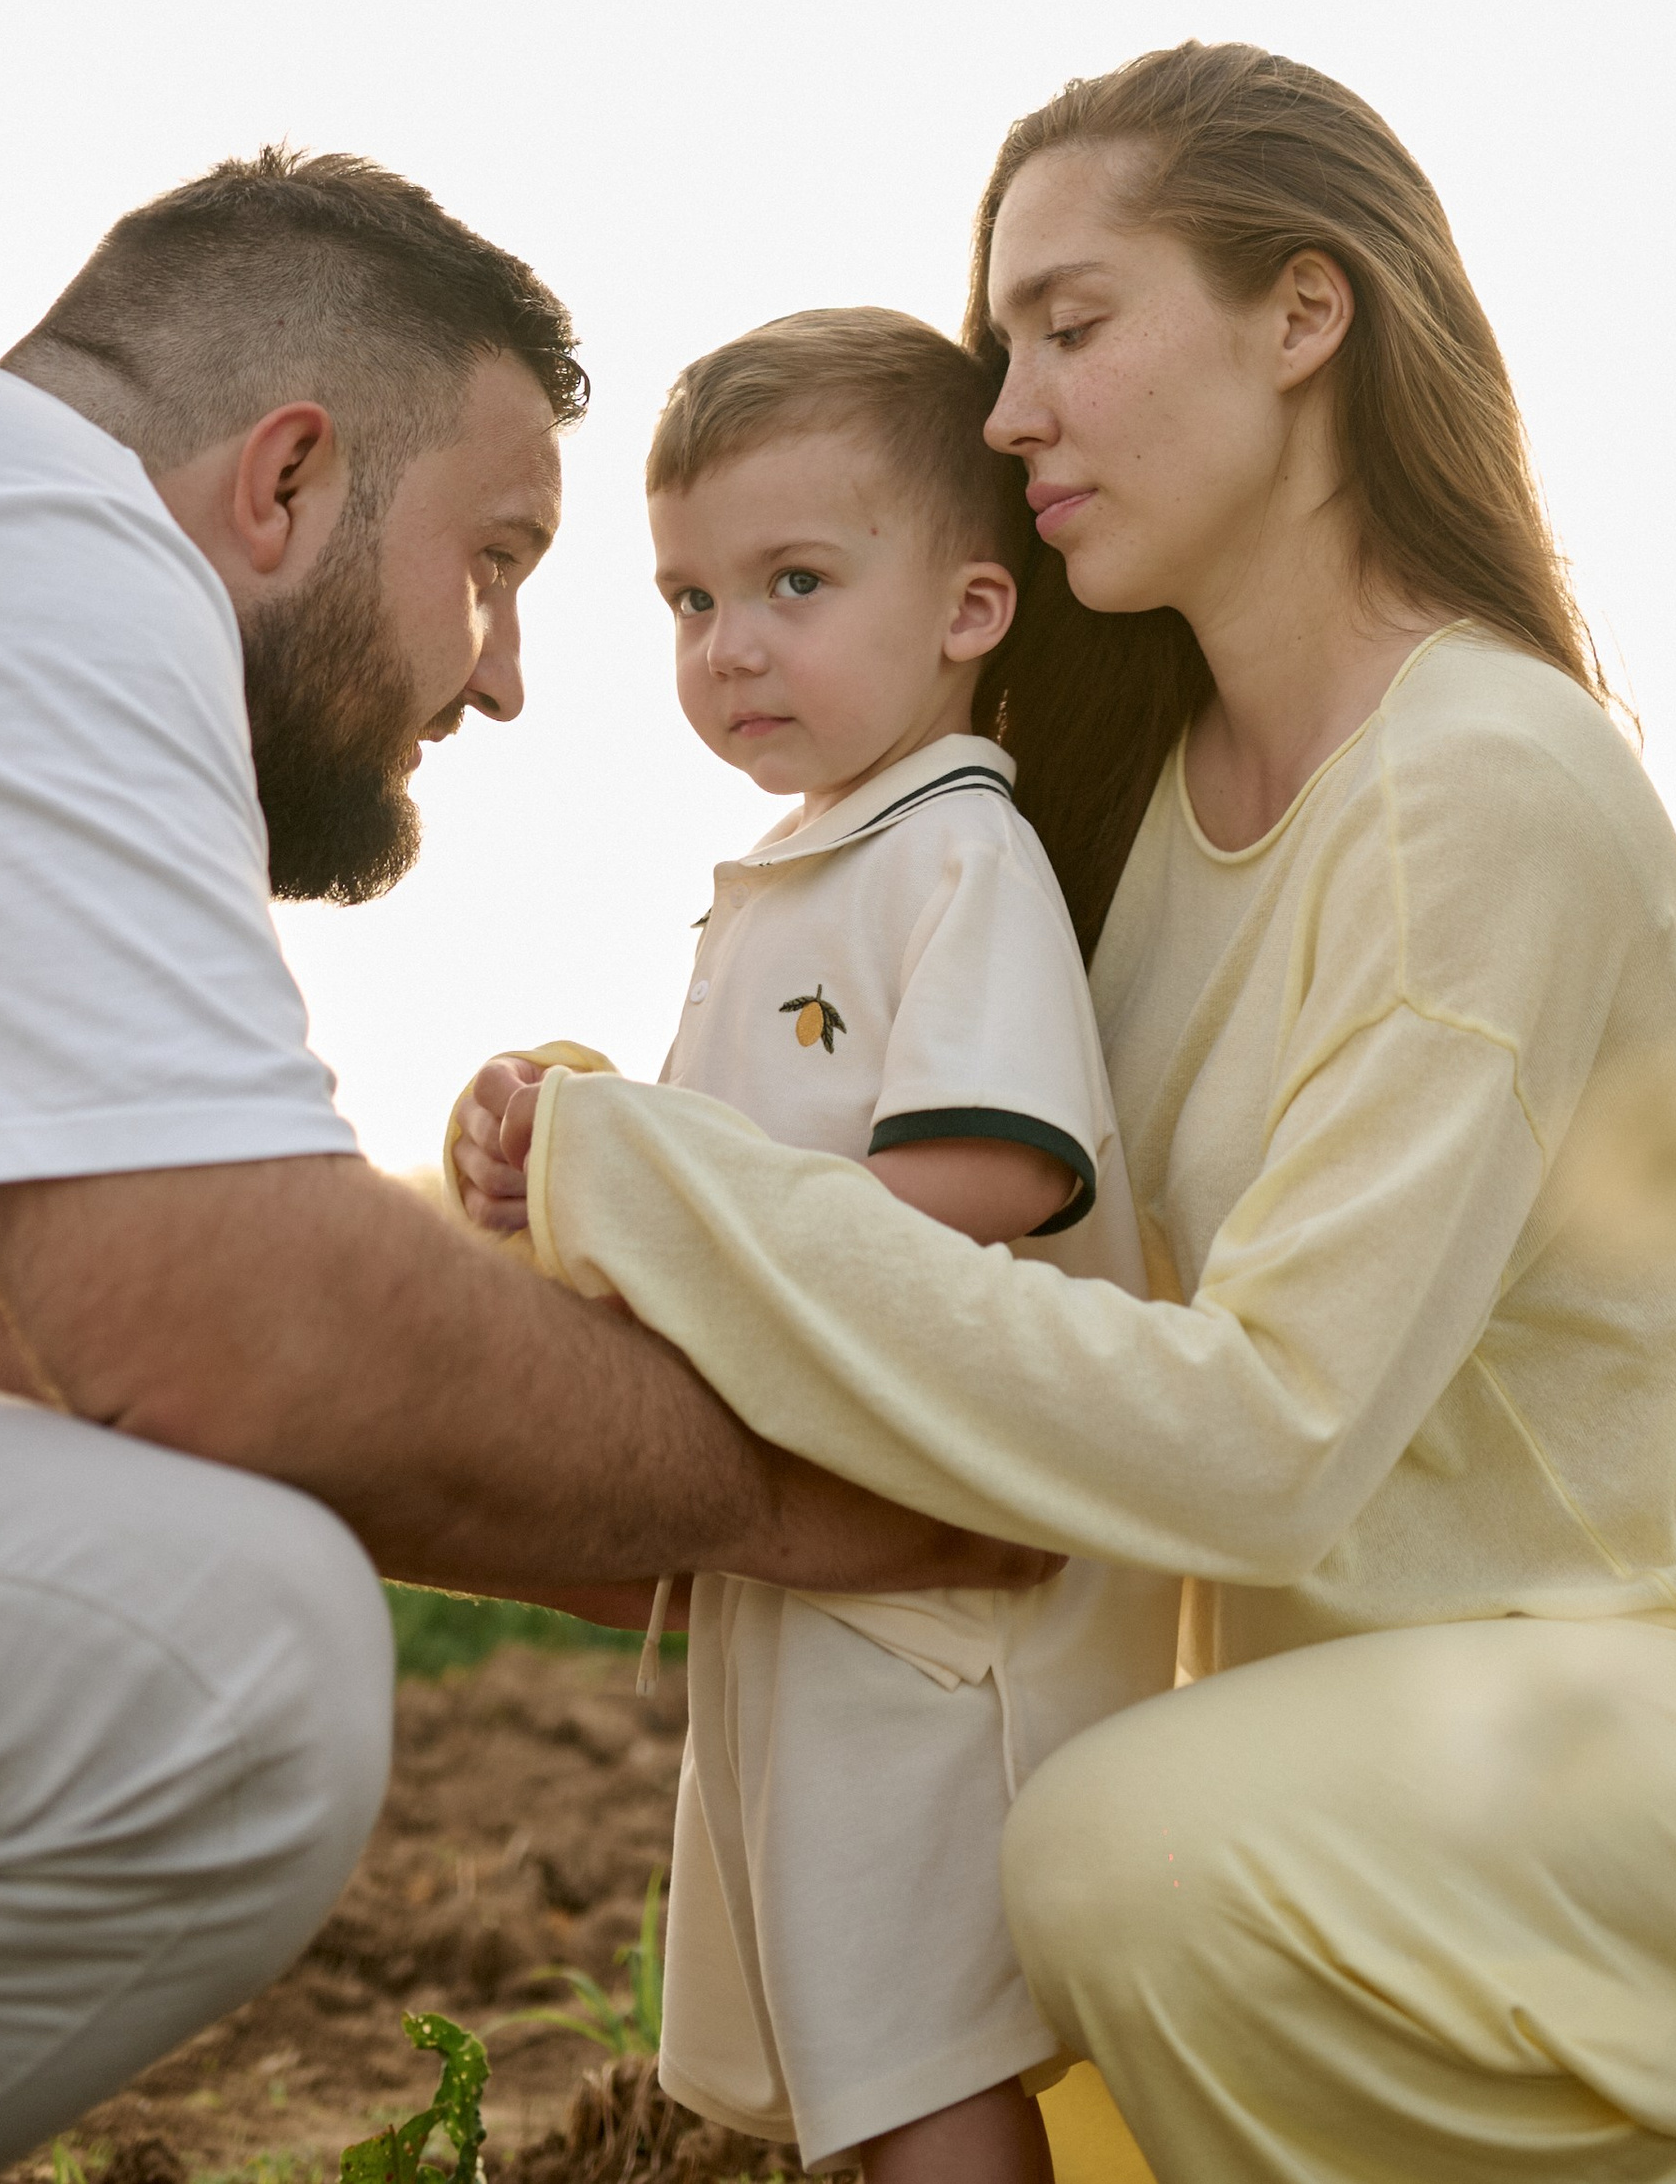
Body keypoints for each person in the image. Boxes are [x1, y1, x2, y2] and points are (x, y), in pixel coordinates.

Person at [456, 43, 1676, 2184]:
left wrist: (658, 1192)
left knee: (1129, 1867)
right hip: (1469, 1734)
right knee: (1066, 2011)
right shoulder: (1132, 812)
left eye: (1072, 323)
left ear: (1299, 318)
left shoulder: (1474, 784)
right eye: (997, 346)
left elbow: (1259, 1441)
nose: (1006, 411)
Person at [0, 151, 1046, 2184]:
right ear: (289, 479)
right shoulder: (21, 539)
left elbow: (16, 1351)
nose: (503, 669)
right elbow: (231, 1321)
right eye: (494, 556)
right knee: (233, 1666)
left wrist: (715, 1546)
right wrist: (811, 1490)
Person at [454, 310, 1178, 2183]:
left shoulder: (960, 860)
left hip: (938, 1589)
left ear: (967, 611)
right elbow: (735, 1190)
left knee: (927, 2044)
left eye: (793, 581)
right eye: (691, 599)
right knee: (842, 2031)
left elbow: (985, 1176)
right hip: (816, 1557)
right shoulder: (804, 869)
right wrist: (567, 1149)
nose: (733, 645)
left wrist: (666, 1208)